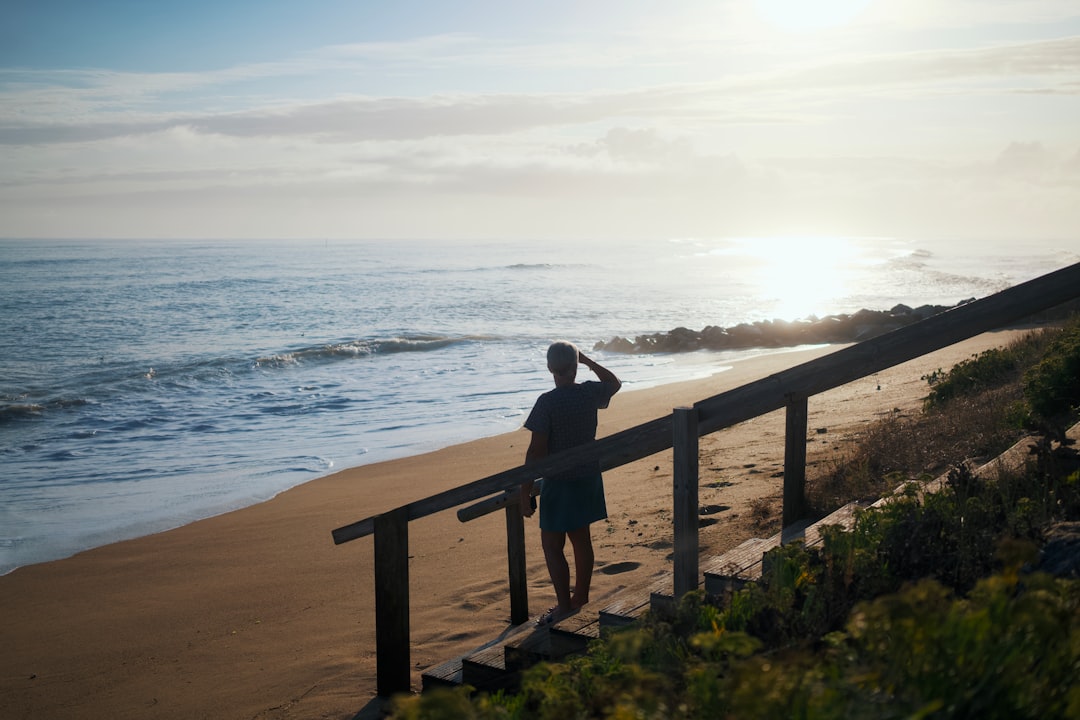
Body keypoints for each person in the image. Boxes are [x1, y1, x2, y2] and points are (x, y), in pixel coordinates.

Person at [520, 341, 621, 625]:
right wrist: (588, 361)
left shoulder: (547, 402)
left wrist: (525, 491)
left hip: (560, 481)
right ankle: (580, 597)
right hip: (587, 476)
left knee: (552, 546)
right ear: (576, 366)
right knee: (581, 540)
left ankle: (564, 606)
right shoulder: (588, 393)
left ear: (550, 368)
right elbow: (614, 383)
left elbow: (536, 452)